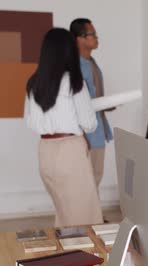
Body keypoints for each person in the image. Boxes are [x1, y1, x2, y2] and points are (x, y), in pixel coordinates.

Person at [24, 28, 103, 227]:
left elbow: (30, 121)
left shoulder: (33, 83)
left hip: (45, 151)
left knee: (64, 213)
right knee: (86, 217)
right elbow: (89, 123)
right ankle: (89, 257)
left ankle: (66, 255)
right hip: (70, 150)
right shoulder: (74, 82)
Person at [69, 18, 114, 195]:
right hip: (85, 133)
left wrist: (107, 104)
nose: (96, 38)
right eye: (92, 34)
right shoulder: (75, 66)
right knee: (86, 179)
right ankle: (87, 218)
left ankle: (92, 217)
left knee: (95, 176)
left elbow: (93, 96)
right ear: (79, 38)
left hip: (98, 128)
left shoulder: (92, 63)